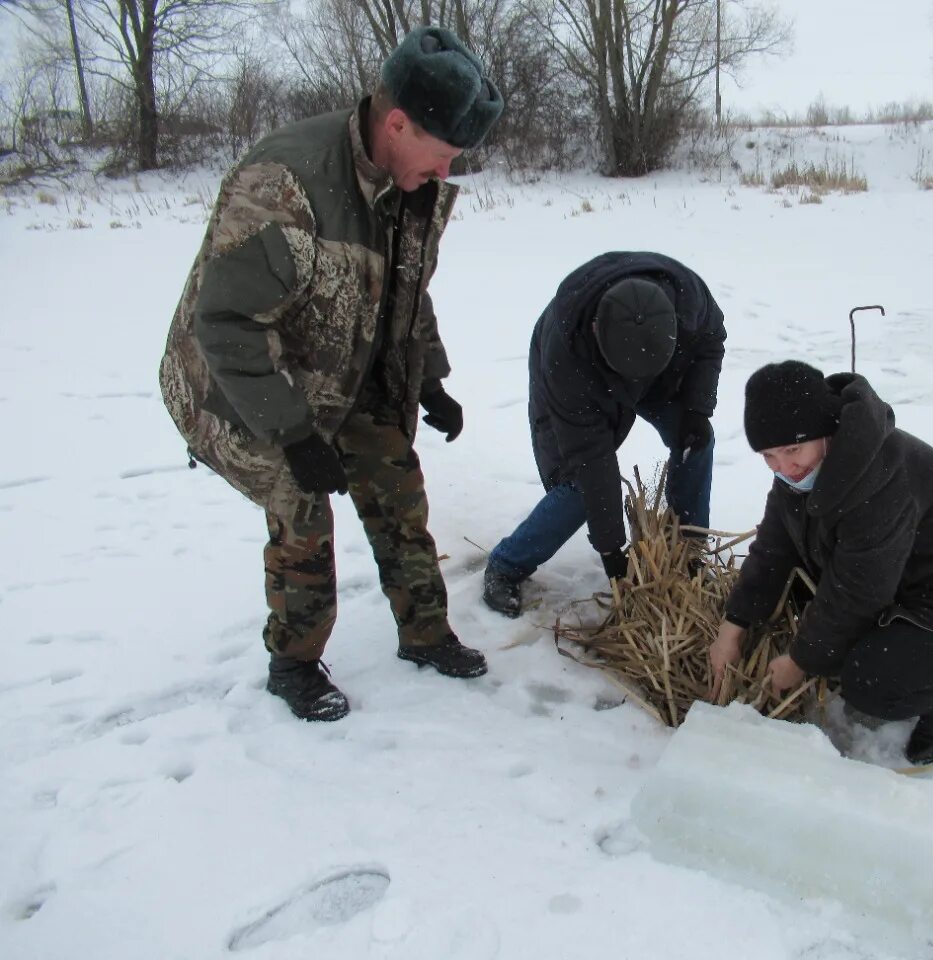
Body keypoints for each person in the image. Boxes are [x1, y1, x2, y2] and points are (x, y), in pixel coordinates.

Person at [158, 26, 504, 722]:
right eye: (441, 157)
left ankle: (426, 634)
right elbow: (224, 324)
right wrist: (290, 432)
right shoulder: (282, 184)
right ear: (398, 123)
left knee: (398, 487)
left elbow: (405, 289)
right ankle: (294, 663)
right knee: (302, 512)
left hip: (343, 367)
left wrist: (429, 377)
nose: (444, 174)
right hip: (247, 383)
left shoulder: (407, 186)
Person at [708, 361, 933, 765]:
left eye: (792, 450)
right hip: (905, 581)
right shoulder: (802, 470)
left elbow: (859, 592)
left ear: (824, 430)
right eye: (768, 456)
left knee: (869, 679)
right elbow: (774, 548)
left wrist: (800, 660)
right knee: (798, 597)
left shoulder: (880, 476)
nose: (784, 468)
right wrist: (731, 628)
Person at [481, 252, 727, 616]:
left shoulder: (690, 299)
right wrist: (612, 551)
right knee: (579, 487)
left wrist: (696, 410)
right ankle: (506, 565)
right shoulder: (565, 357)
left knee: (697, 442)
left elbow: (710, 343)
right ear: (596, 329)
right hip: (585, 374)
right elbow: (592, 461)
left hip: (659, 369)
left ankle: (686, 552)